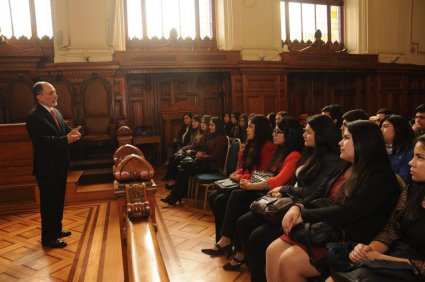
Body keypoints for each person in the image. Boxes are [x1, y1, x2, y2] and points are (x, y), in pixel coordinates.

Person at [266, 120, 401, 281]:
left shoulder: (381, 176)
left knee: (289, 262)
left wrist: (304, 214)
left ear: (362, 143)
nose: (340, 142)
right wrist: (298, 206)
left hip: (350, 238)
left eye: (346, 138)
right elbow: (318, 193)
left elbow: (349, 211)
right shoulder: (344, 165)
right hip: (329, 226)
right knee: (272, 251)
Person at [237, 114, 341, 282]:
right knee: (244, 221)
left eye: (308, 132)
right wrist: (285, 191)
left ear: (320, 135)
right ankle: (254, 272)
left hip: (301, 208)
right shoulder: (310, 153)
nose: (304, 135)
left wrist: (286, 190)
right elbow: (297, 182)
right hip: (291, 201)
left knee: (257, 236)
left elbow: (313, 192)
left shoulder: (330, 160)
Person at [202, 117, 304, 271]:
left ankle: (229, 244)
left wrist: (249, 183)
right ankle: (226, 241)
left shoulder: (287, 152)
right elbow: (262, 173)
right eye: (274, 130)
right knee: (218, 198)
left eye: (278, 131)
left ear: (288, 134)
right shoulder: (278, 149)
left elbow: (274, 180)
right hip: (264, 189)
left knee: (234, 199)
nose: (274, 134)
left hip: (274, 196)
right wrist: (242, 177)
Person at [329, 134, 425, 282]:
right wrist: (368, 250)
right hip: (392, 260)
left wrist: (383, 259)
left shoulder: (382, 177)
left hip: (412, 271)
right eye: (413, 156)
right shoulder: (413, 189)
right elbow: (391, 230)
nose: (411, 162)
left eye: (420, 157)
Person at [26, 81, 82, 249]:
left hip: (59, 165)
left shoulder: (55, 111)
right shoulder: (34, 116)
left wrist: (73, 132)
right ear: (39, 97)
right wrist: (66, 140)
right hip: (46, 167)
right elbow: (43, 142)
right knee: (49, 203)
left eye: (55, 92)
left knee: (58, 200)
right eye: (50, 93)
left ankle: (56, 230)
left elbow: (63, 129)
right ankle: (48, 238)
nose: (55, 95)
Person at [207, 114, 275, 243]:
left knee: (222, 199)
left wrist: (238, 177)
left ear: (259, 129)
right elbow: (245, 168)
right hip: (246, 182)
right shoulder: (252, 144)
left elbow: (261, 174)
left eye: (250, 127)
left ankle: (226, 239)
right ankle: (221, 238)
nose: (247, 129)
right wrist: (235, 173)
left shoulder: (268, 147)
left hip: (257, 187)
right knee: (214, 197)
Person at [161, 117, 227, 205]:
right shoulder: (213, 136)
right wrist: (201, 153)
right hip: (205, 162)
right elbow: (208, 152)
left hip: (211, 166)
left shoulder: (221, 139)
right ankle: (175, 196)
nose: (210, 127)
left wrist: (202, 156)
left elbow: (215, 157)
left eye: (212, 125)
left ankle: (175, 196)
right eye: (210, 124)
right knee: (182, 169)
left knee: (182, 167)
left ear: (217, 126)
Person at [380, 115, 415, 183]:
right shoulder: (381, 148)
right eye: (381, 126)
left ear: (398, 128)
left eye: (385, 126)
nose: (380, 130)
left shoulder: (411, 149)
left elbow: (403, 180)